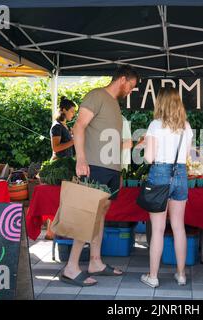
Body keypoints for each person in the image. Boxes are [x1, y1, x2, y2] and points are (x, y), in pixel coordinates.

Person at [60, 65, 139, 286]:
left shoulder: (114, 104)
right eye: (131, 86)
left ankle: (95, 261)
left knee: (100, 215)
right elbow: (79, 126)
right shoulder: (97, 95)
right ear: (123, 79)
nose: (131, 91)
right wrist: (81, 159)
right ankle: (71, 268)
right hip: (93, 166)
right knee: (87, 215)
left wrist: (121, 162)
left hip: (110, 169)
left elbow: (108, 139)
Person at [140, 86, 193, 288]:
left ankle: (153, 277)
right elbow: (187, 157)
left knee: (159, 229)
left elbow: (149, 158)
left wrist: (146, 145)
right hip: (180, 174)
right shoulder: (186, 126)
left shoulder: (155, 125)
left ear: (160, 103)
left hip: (160, 174)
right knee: (179, 226)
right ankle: (181, 275)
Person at [46, 97, 76, 240]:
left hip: (67, 166)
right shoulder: (57, 126)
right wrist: (72, 141)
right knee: (57, 200)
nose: (73, 114)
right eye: (71, 111)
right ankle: (51, 232)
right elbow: (56, 148)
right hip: (59, 167)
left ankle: (58, 230)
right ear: (64, 110)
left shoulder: (64, 126)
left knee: (64, 200)